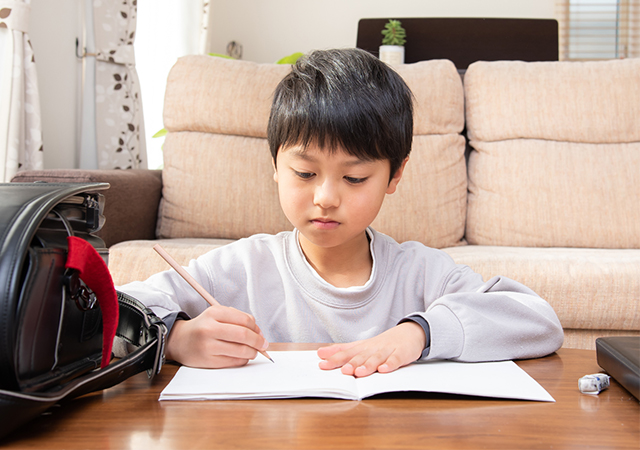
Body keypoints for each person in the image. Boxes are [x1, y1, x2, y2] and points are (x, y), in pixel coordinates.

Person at [118, 48, 563, 377]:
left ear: (395, 175)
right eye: (305, 172)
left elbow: (538, 321)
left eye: (354, 179)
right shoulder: (239, 267)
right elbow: (114, 309)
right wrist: (175, 338)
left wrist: (420, 333)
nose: (326, 197)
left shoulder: (422, 274)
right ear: (275, 167)